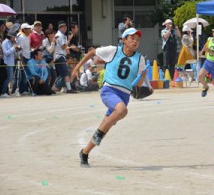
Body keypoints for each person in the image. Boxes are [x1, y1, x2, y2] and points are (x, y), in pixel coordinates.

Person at [70, 27, 153, 167]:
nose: (135, 41)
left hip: (124, 95)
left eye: (137, 39)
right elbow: (91, 53)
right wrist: (77, 67)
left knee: (105, 127)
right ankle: (97, 136)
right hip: (109, 91)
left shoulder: (140, 59)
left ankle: (84, 153)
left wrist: (142, 77)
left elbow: (137, 85)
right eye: (132, 38)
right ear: (124, 40)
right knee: (122, 111)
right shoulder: (113, 50)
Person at [198, 25, 214, 105]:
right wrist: (201, 51)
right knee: (200, 76)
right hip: (208, 61)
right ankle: (205, 87)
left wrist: (209, 51)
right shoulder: (209, 39)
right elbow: (206, 45)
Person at [54, 20, 76, 93]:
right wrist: (69, 40)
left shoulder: (61, 35)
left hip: (60, 56)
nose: (64, 28)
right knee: (65, 73)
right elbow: (63, 47)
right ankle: (69, 89)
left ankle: (58, 87)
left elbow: (63, 47)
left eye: (65, 26)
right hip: (59, 56)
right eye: (62, 27)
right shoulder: (60, 36)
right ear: (59, 28)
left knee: (62, 74)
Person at [12, 23, 32, 96]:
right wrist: (21, 59)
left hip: (27, 57)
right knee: (20, 75)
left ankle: (23, 90)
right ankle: (16, 90)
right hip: (22, 58)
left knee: (24, 75)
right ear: (24, 29)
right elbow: (20, 49)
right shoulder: (21, 37)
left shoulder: (27, 36)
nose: (30, 29)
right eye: (28, 28)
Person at [1, 30, 19, 97]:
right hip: (8, 63)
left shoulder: (12, 42)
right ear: (10, 36)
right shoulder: (5, 43)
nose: (14, 38)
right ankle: (3, 92)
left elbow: (13, 52)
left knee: (13, 78)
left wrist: (16, 50)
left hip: (13, 62)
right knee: (9, 78)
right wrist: (13, 48)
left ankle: (11, 91)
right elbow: (5, 53)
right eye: (14, 37)